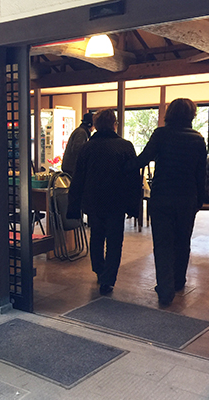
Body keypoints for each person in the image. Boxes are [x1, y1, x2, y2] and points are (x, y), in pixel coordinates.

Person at [132, 98, 207, 306]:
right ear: (191, 115)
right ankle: (178, 281)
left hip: (162, 197)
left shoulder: (161, 135)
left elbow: (142, 159)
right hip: (187, 197)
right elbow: (201, 174)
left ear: (170, 113)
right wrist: (199, 200)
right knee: (183, 241)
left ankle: (165, 290)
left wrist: (122, 163)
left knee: (163, 244)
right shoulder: (198, 139)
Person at [67, 109, 141, 296]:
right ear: (114, 124)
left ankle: (99, 270)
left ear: (96, 125)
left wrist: (74, 205)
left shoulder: (87, 147)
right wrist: (134, 205)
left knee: (97, 236)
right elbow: (133, 178)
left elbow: (78, 178)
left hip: (93, 200)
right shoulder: (125, 146)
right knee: (115, 241)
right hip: (117, 201)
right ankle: (108, 279)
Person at [61, 112, 94, 176]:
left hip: (70, 167)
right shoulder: (81, 133)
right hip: (72, 168)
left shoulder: (80, 131)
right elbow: (77, 150)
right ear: (90, 124)